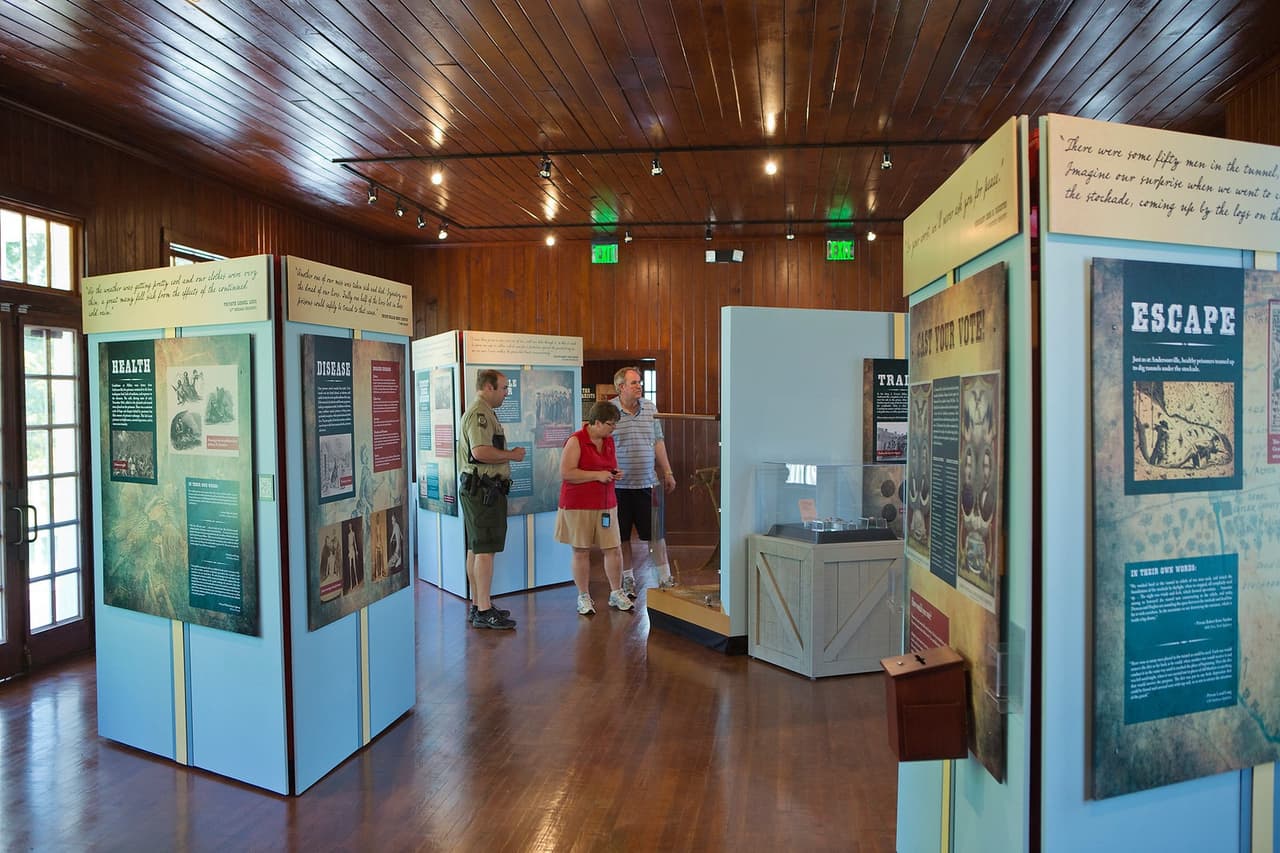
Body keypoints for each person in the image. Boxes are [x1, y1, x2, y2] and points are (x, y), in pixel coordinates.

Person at [458, 369, 525, 629]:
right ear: (488, 387)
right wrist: (511, 455)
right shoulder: (479, 415)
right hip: (483, 491)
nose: (506, 393)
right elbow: (480, 451)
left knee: (477, 548)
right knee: (484, 551)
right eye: (504, 388)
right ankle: (484, 609)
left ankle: (479, 604)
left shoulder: (483, 412)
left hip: (482, 490)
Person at [555, 402, 632, 615]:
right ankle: (583, 596)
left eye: (615, 424)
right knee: (581, 550)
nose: (613, 428)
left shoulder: (609, 441)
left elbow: (607, 466)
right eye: (609, 424)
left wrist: (614, 472)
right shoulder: (576, 440)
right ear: (596, 422)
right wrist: (596, 476)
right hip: (578, 505)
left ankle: (616, 592)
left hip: (606, 503)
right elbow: (567, 473)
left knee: (613, 548)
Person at [609, 367, 677, 596]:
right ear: (621, 387)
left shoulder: (650, 408)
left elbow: (658, 441)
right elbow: (601, 444)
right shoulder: (610, 410)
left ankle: (665, 578)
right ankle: (628, 578)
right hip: (619, 488)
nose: (639, 386)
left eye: (640, 382)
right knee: (622, 537)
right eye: (634, 383)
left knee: (657, 534)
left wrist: (667, 472)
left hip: (648, 484)